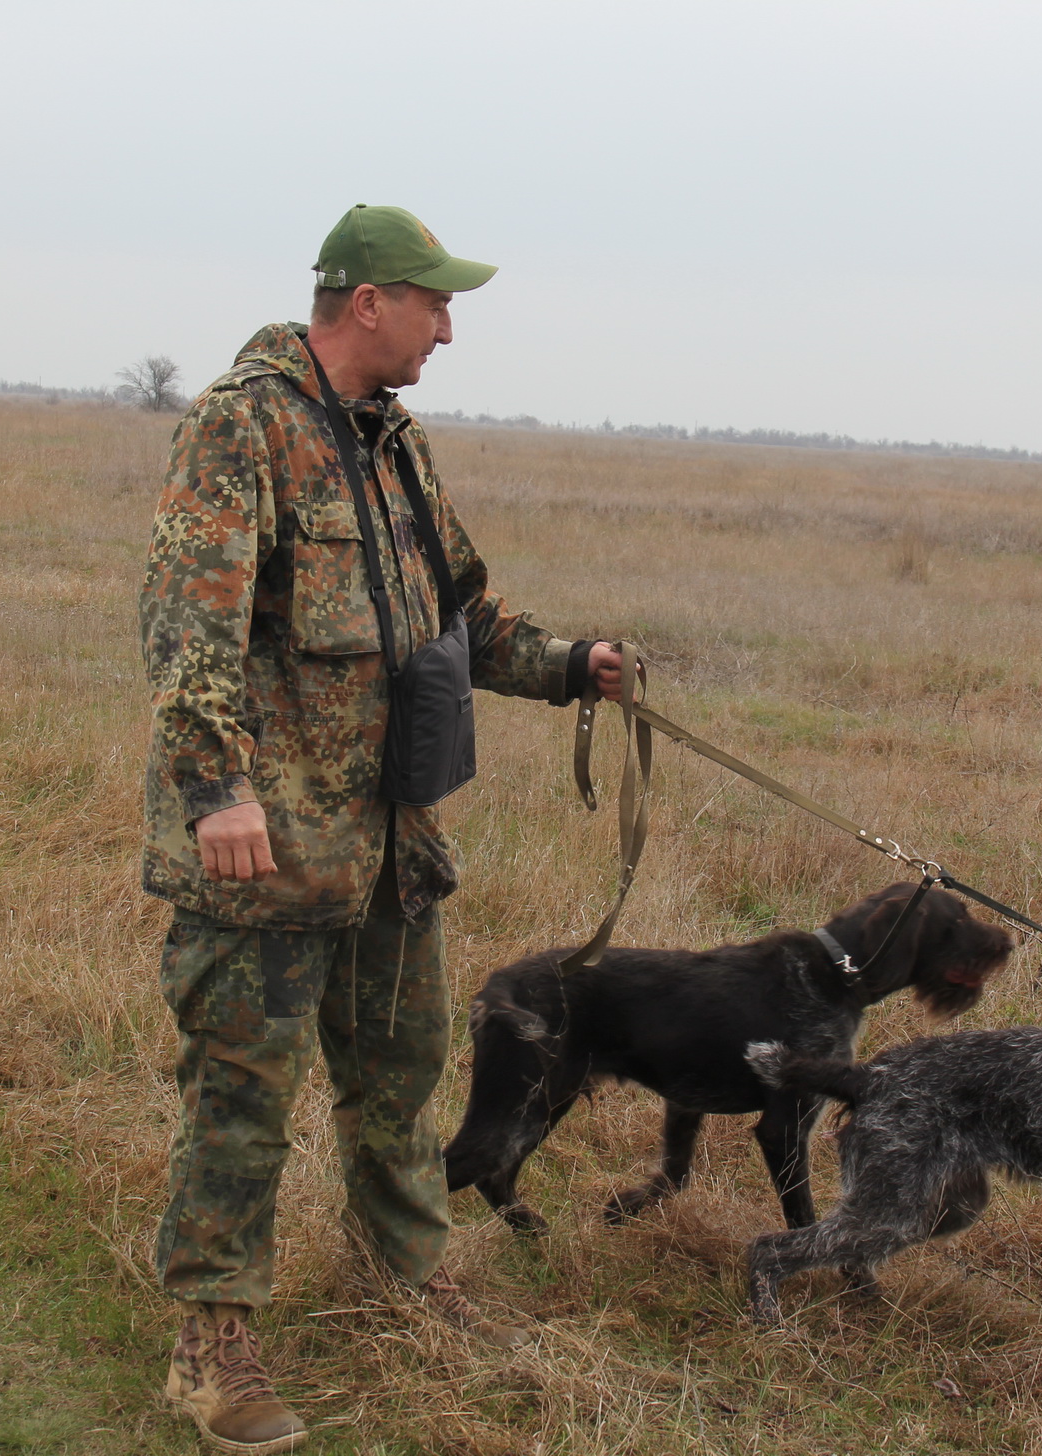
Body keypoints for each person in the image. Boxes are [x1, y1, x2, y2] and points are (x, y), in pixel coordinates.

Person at [138, 203, 623, 1453]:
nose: (447, 330)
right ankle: (212, 1346)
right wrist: (217, 790)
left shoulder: (395, 444)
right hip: (268, 852)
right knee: (242, 1095)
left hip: (391, 852)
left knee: (401, 1079)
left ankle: (408, 1274)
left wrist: (572, 664)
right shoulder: (242, 426)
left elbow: (464, 614)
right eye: (435, 303)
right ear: (369, 303)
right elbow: (189, 625)